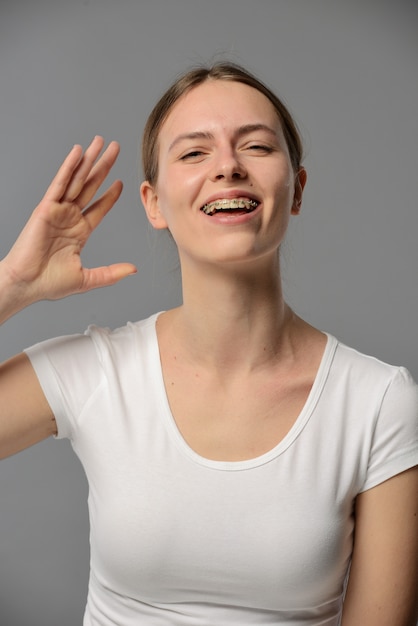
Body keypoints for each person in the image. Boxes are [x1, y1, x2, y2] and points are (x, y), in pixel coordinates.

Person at [0, 62, 417, 626]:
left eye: (257, 147)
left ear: (295, 189)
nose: (228, 167)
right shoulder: (97, 371)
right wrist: (11, 286)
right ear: (153, 203)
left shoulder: (380, 402)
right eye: (195, 153)